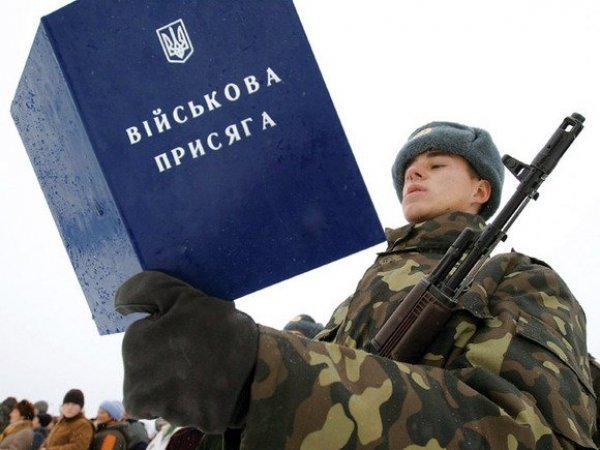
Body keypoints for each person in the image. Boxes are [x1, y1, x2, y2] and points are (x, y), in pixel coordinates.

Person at [115, 121, 597, 449]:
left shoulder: (521, 279)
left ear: (481, 190)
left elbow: (533, 434)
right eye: (410, 167)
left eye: (437, 163)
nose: (414, 171)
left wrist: (263, 372)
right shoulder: (360, 295)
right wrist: (223, 414)